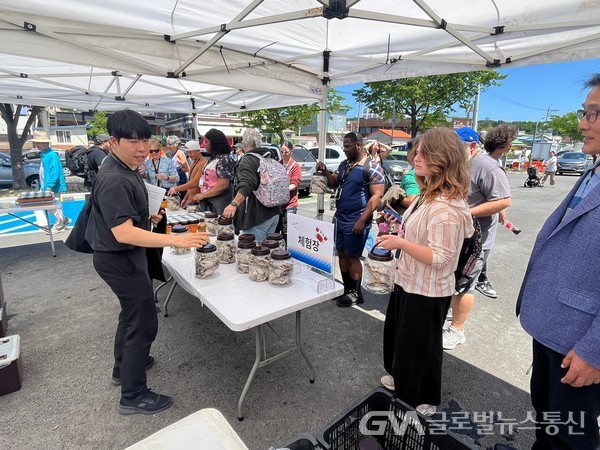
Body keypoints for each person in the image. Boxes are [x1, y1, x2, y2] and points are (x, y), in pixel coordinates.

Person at [85, 109, 209, 415]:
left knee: (130, 315)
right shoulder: (114, 177)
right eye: (133, 141)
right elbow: (123, 232)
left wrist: (148, 216)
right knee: (141, 321)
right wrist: (176, 239)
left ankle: (122, 368)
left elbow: (126, 219)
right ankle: (133, 394)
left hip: (120, 257)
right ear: (113, 141)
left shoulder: (124, 167)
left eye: (145, 140)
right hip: (120, 259)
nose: (142, 147)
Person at [517, 74, 600, 449]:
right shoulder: (592, 169)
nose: (582, 123)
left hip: (581, 343)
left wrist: (595, 350)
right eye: (585, 112)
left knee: (572, 435)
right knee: (547, 415)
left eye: (594, 114)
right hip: (555, 327)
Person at [377, 127, 473, 416]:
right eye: (416, 152)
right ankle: (402, 379)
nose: (415, 156)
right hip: (409, 280)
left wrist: (400, 242)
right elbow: (418, 234)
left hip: (428, 289)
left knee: (421, 347)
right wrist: (397, 226)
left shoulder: (447, 207)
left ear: (442, 158)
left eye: (422, 152)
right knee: (400, 338)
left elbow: (442, 257)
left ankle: (424, 395)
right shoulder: (427, 194)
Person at [443, 125, 514, 350]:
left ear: (472, 146)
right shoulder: (460, 165)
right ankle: (448, 318)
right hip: (456, 236)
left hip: (475, 241)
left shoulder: (486, 166)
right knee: (452, 281)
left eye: (456, 146)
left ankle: (457, 330)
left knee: (466, 284)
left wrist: (467, 213)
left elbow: (503, 200)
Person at [315, 132, 385, 307]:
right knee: (342, 254)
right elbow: (333, 183)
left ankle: (356, 293)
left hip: (356, 219)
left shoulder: (372, 166)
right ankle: (347, 289)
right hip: (340, 218)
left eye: (347, 146)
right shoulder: (344, 164)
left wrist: (362, 220)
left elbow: (377, 196)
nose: (344, 150)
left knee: (353, 257)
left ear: (359, 145)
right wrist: (325, 172)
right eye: (344, 146)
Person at [222, 129, 280, 241]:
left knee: (251, 254)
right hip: (273, 213)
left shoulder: (248, 159)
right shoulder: (267, 157)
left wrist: (234, 204)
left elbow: (246, 183)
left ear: (244, 144)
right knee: (266, 252)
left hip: (257, 216)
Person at [29, 131, 71, 233]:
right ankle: (62, 221)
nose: (37, 145)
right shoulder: (45, 155)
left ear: (45, 143)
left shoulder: (51, 155)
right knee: (51, 205)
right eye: (36, 143)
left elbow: (55, 172)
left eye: (39, 143)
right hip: (47, 186)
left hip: (52, 186)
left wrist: (49, 187)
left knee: (54, 205)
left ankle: (60, 224)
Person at [191, 128, 235, 215]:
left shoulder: (224, 159)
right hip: (210, 201)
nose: (204, 145)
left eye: (206, 142)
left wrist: (203, 195)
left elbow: (223, 185)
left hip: (220, 203)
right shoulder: (213, 158)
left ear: (214, 143)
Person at [167, 140, 207, 208]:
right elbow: (190, 183)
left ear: (198, 151)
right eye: (188, 153)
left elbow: (195, 182)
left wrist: (176, 189)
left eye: (191, 152)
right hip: (192, 199)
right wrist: (186, 198)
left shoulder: (203, 163)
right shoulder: (193, 163)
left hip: (198, 200)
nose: (189, 155)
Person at [277, 141, 302, 240]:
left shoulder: (295, 166)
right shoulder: (278, 164)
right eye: (281, 152)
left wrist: (283, 189)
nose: (283, 154)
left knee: (287, 233)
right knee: (275, 230)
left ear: (291, 152)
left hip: (289, 204)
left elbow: (294, 184)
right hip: (277, 204)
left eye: (286, 152)